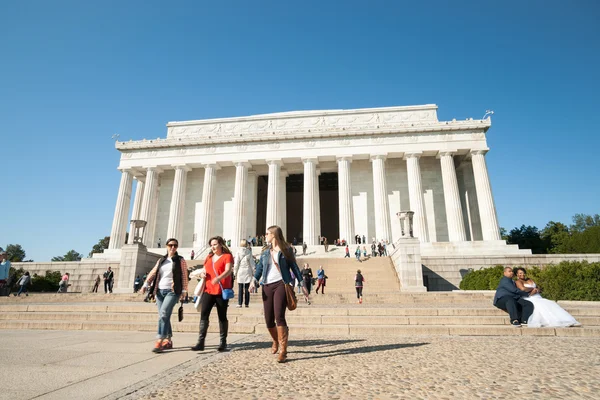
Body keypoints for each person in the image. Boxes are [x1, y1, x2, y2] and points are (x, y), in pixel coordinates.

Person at [249, 225, 304, 363]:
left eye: (267, 233)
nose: (265, 236)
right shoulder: (266, 252)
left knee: (279, 316)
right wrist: (254, 280)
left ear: (273, 235)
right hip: (267, 286)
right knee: (268, 319)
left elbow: (295, 267)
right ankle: (275, 340)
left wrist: (302, 283)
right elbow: (260, 268)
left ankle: (283, 350)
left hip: (281, 284)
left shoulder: (286, 250)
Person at [141, 238, 189, 353]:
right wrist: (146, 284)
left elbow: (184, 275)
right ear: (166, 246)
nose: (173, 247)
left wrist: (184, 291)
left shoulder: (180, 260)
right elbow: (154, 272)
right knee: (164, 316)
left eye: (175, 246)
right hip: (159, 291)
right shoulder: (161, 260)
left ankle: (159, 340)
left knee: (163, 314)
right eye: (171, 245)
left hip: (172, 291)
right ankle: (168, 340)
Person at [191, 236, 233, 352]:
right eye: (211, 245)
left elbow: (228, 270)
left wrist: (219, 278)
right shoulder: (209, 257)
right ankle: (201, 342)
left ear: (221, 244)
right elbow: (204, 270)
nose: (213, 247)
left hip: (221, 291)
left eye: (215, 244)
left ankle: (223, 342)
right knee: (204, 315)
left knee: (222, 316)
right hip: (208, 290)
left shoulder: (227, 256)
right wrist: (201, 275)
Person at [515, 267, 580, 327]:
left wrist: (537, 290)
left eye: (523, 272)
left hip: (538, 296)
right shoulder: (518, 281)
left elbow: (538, 288)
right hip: (529, 297)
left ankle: (563, 320)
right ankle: (551, 321)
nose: (522, 274)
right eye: (520, 273)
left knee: (551, 303)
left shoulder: (529, 279)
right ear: (517, 274)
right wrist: (532, 289)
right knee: (541, 305)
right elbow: (523, 289)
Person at [234, 239, 255, 308]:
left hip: (241, 270)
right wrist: (253, 271)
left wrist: (235, 272)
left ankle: (240, 303)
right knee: (247, 288)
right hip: (247, 271)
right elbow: (252, 263)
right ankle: (246, 303)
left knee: (240, 288)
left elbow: (236, 263)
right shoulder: (249, 252)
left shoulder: (238, 252)